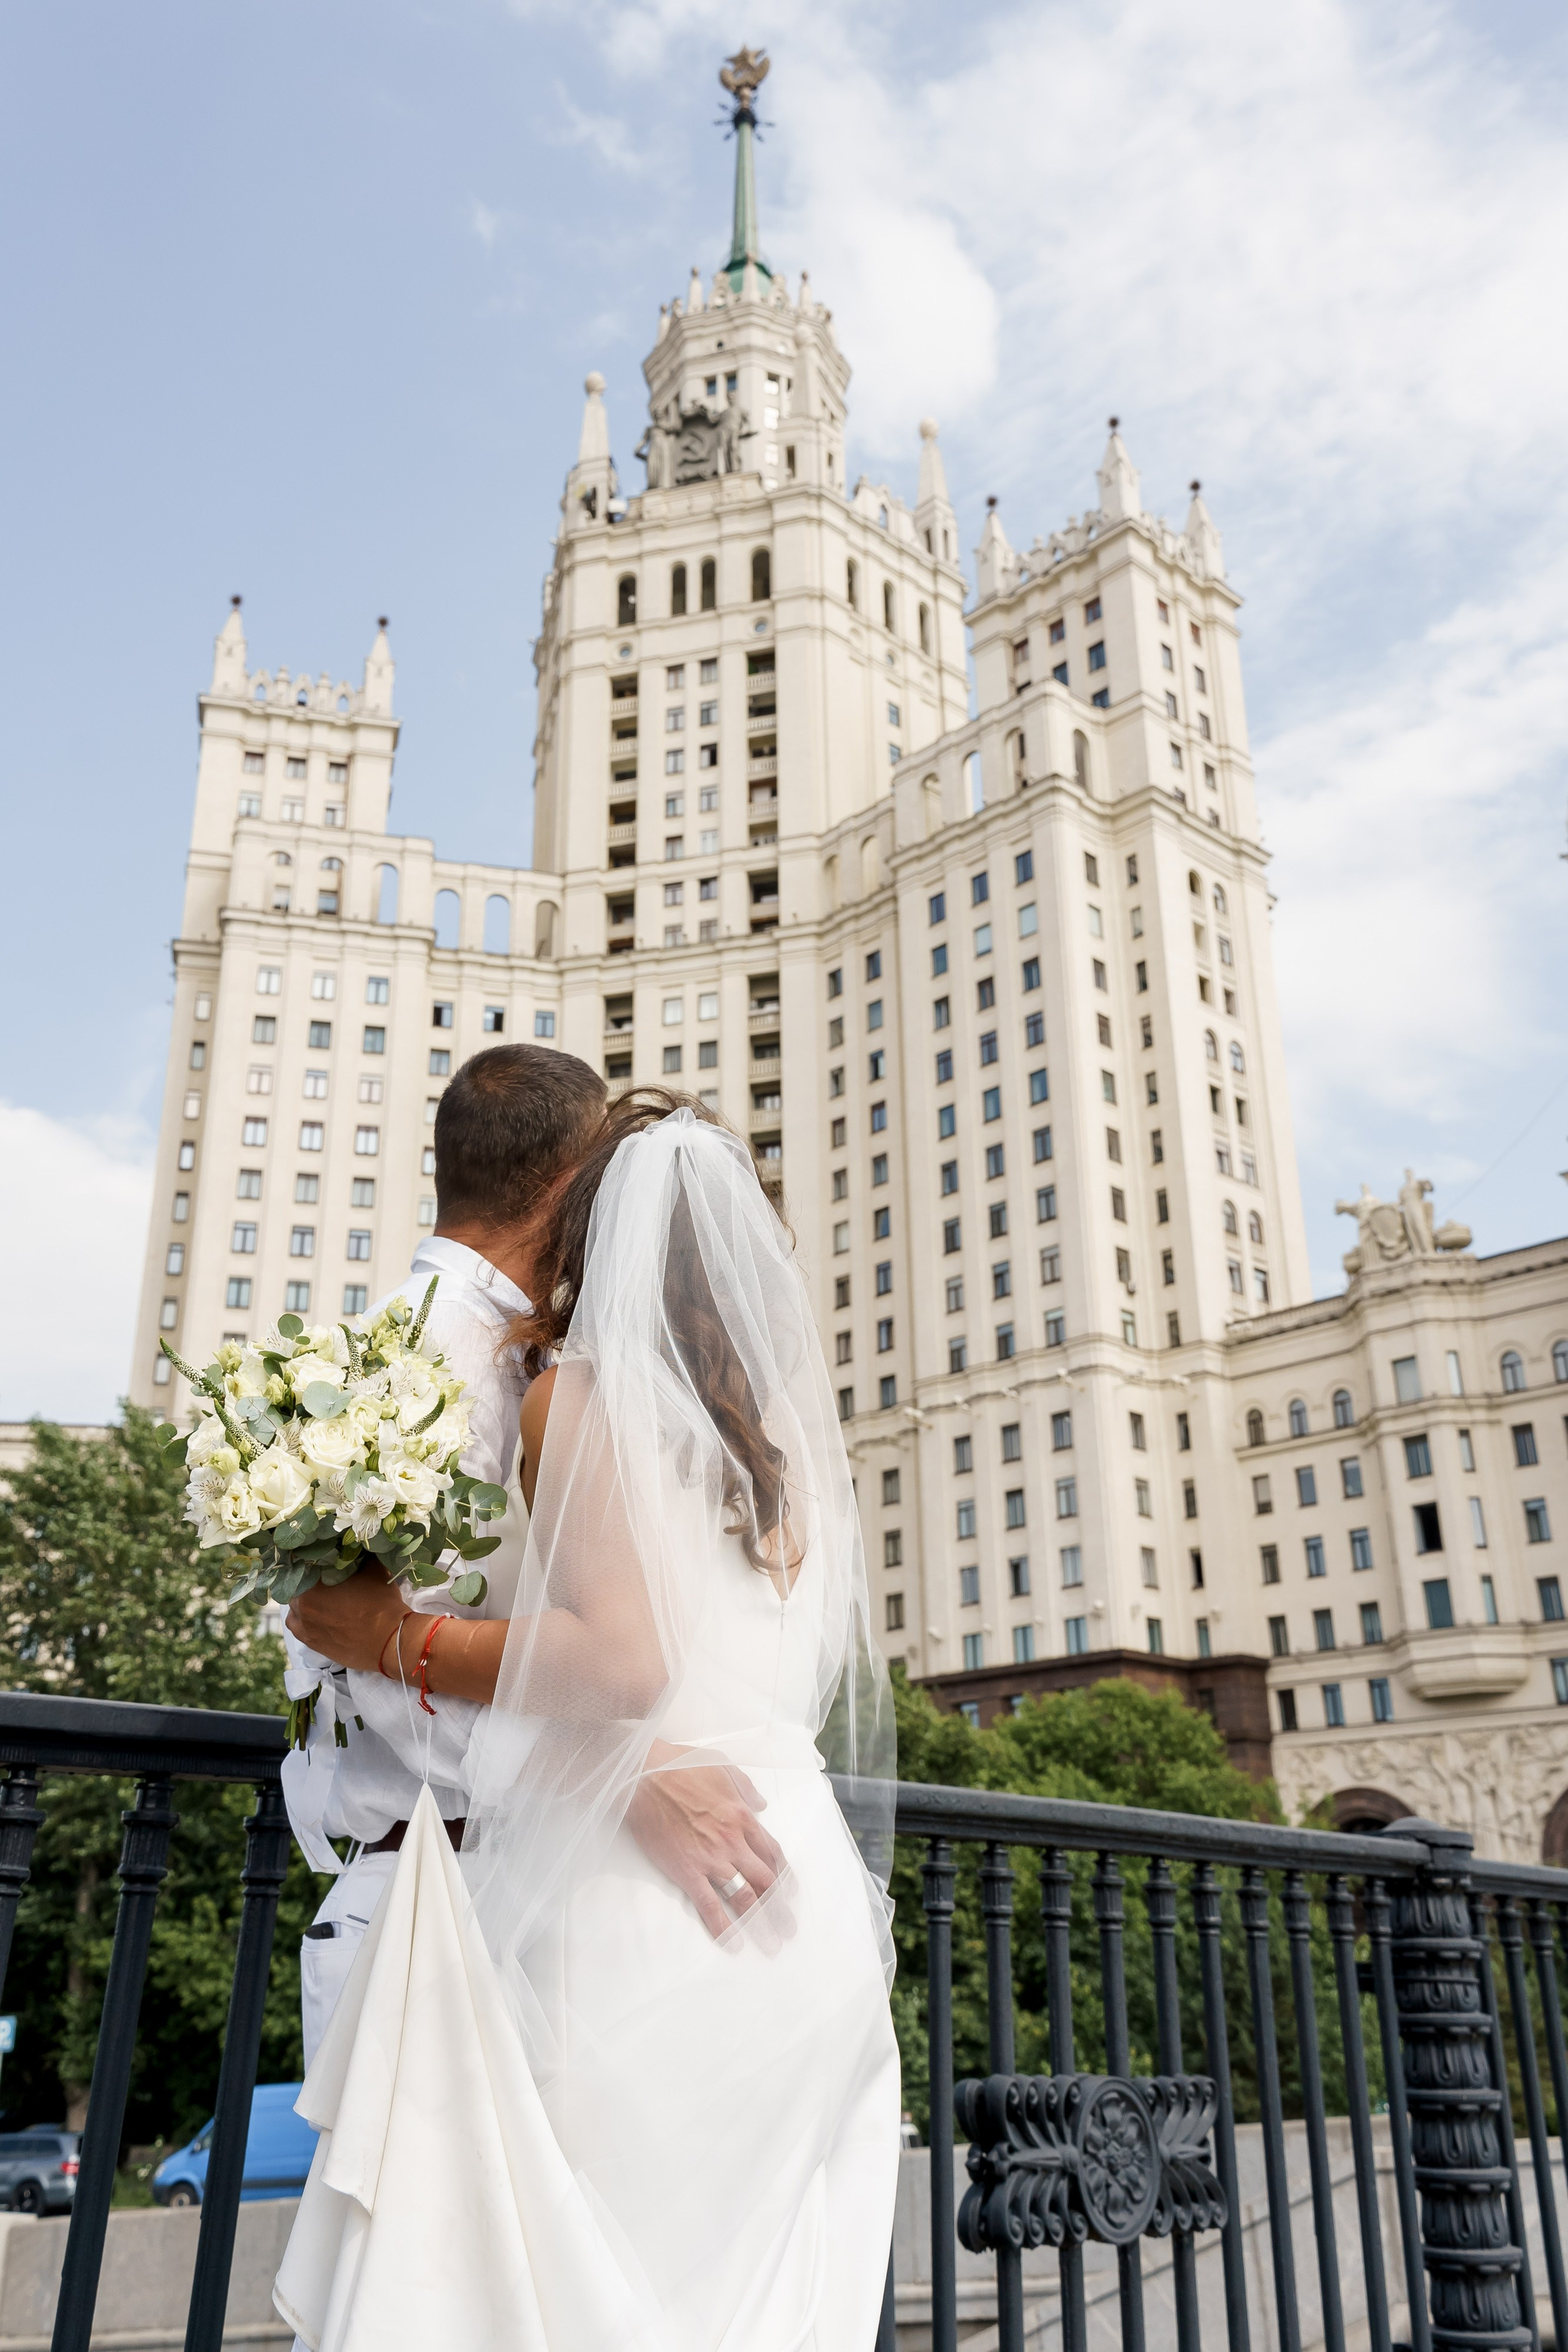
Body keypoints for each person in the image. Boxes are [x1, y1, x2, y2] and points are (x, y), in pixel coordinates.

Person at [277, 1095, 899, 2352]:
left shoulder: (577, 1395)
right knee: (767, 2304)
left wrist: (388, 1635)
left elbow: (620, 1664)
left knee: (588, 2294)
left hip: (649, 1912)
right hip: (807, 1898)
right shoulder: (783, 1452)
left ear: (587, 1237)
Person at [285, 1049, 783, 2070]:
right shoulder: (414, 1366)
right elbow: (345, 1650)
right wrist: (624, 1778)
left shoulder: (568, 1372)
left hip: (559, 1898)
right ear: (572, 1182)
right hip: (443, 1901)